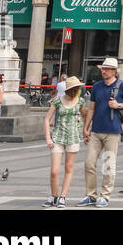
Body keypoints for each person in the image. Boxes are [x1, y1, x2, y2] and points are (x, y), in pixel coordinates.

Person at [75, 58, 123, 207]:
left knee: (108, 165)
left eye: (107, 69)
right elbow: (91, 108)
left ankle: (105, 195)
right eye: (103, 68)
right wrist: (86, 127)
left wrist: (119, 105)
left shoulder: (122, 86)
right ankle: (91, 195)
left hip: (113, 131)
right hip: (96, 131)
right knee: (89, 163)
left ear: (114, 71)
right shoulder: (97, 86)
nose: (103, 71)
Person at [42, 75, 90, 207]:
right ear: (69, 89)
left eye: (78, 89)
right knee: (54, 170)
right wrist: (48, 137)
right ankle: (53, 195)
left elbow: (86, 115)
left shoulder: (80, 102)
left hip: (73, 137)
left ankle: (63, 196)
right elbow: (47, 119)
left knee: (69, 168)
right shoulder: (57, 101)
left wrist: (85, 131)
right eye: (75, 89)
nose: (77, 91)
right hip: (58, 137)